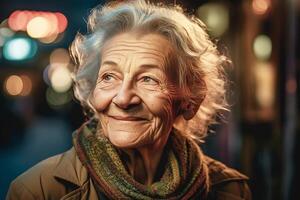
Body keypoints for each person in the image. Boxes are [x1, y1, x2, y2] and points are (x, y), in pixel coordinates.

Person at [6, 0, 251, 199]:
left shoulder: (230, 190)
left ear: (190, 100)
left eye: (148, 80)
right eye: (109, 77)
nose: (123, 98)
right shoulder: (38, 190)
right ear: (92, 91)